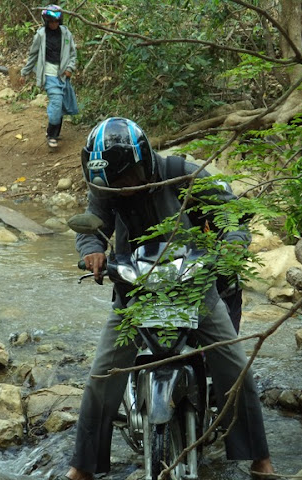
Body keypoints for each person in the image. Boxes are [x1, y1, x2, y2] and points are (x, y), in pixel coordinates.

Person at [64, 117, 276, 480]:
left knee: (233, 364)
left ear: (144, 160)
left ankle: (260, 459)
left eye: (127, 178)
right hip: (135, 287)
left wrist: (232, 245)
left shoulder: (182, 174)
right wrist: (92, 249)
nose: (120, 188)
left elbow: (232, 215)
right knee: (102, 373)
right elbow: (92, 224)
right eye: (112, 183)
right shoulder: (106, 185)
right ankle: (83, 465)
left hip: (193, 285)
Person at [20, 5, 77, 148]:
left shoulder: (65, 34)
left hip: (63, 75)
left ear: (60, 21)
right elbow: (33, 55)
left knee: (62, 104)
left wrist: (70, 68)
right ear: (46, 21)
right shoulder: (40, 35)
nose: (53, 24)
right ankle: (51, 135)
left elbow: (72, 54)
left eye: (56, 21)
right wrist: (25, 72)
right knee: (57, 102)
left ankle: (54, 134)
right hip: (49, 75)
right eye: (51, 22)